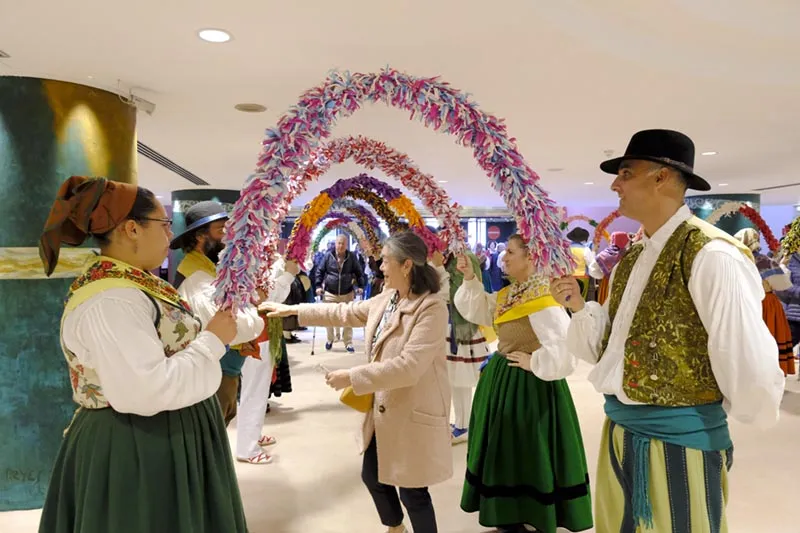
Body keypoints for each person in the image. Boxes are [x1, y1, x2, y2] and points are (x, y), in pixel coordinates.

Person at [551, 129, 785, 533]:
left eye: (626, 172)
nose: (615, 184)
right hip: (621, 430)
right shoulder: (632, 258)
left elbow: (744, 357)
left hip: (680, 441)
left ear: (661, 177)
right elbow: (603, 348)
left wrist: (729, 419)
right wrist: (576, 307)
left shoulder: (712, 254)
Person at [37, 177, 247, 533]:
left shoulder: (135, 285)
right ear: (132, 229)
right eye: (164, 225)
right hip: (136, 442)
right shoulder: (111, 299)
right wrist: (212, 341)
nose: (169, 235)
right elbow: (145, 389)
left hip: (163, 435)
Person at [262, 231, 451, 533]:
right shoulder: (388, 298)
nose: (380, 267)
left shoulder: (431, 308)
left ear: (406, 266)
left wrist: (351, 377)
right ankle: (395, 527)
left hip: (413, 411)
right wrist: (295, 311)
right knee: (373, 476)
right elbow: (344, 312)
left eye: (386, 261)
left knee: (413, 492)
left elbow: (409, 367)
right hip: (385, 410)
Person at [453, 234, 592, 533]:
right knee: (508, 449)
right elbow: (479, 309)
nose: (504, 257)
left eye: (511, 252)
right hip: (504, 382)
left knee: (527, 450)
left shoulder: (543, 297)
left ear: (531, 258)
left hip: (530, 387)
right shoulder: (512, 293)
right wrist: (468, 276)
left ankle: (528, 512)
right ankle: (509, 514)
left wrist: (536, 362)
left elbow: (565, 347)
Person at [170, 200, 266, 426]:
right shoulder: (197, 277)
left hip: (222, 370)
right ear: (200, 237)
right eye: (221, 230)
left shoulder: (209, 270)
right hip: (215, 373)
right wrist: (252, 309)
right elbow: (238, 329)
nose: (228, 237)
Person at [442, 250, 490, 444]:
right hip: (452, 324)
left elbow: (461, 293)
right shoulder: (451, 258)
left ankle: (464, 425)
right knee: (454, 378)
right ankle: (462, 423)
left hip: (461, 327)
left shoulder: (462, 259)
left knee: (460, 378)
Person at [735, 228, 795, 375]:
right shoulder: (764, 261)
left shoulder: (735, 261)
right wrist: (781, 266)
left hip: (742, 304)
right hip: (765, 304)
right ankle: (770, 374)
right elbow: (783, 285)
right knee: (769, 339)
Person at [315, 233, 366, 352]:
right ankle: (330, 339)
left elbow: (359, 272)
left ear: (346, 245)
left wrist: (360, 286)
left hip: (347, 292)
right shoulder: (328, 256)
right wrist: (318, 286)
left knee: (348, 318)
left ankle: (348, 342)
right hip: (330, 292)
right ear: (335, 244)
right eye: (339, 243)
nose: (341, 245)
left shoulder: (352, 257)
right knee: (328, 317)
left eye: (343, 243)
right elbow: (320, 271)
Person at [588, 231, 630, 305]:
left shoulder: (605, 254)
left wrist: (603, 275)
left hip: (607, 284)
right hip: (624, 284)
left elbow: (592, 269)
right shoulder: (628, 254)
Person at [566, 227, 595, 300]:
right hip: (583, 277)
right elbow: (591, 264)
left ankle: (568, 311)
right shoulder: (586, 249)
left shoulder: (567, 249)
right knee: (581, 298)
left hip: (569, 276)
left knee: (569, 297)